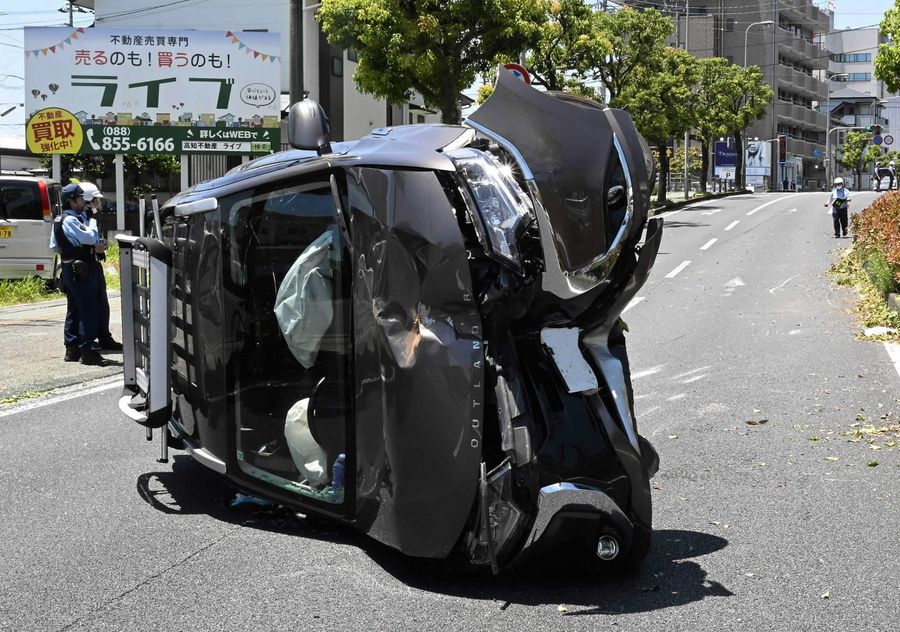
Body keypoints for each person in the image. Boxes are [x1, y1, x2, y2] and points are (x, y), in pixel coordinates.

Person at [49, 183, 109, 366]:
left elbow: (54, 246)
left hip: (70, 269)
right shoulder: (71, 220)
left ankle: (72, 349)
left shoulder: (60, 220)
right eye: (82, 198)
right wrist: (91, 223)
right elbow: (90, 237)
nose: (86, 202)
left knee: (74, 310)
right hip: (80, 270)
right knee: (87, 310)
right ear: (72, 201)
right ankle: (88, 351)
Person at [80, 183, 122, 352]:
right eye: (95, 201)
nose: (97, 205)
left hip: (93, 264)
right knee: (87, 306)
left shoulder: (89, 217)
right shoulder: (77, 218)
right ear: (86, 200)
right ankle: (86, 343)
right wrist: (93, 247)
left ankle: (103, 336)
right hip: (83, 266)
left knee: (101, 304)